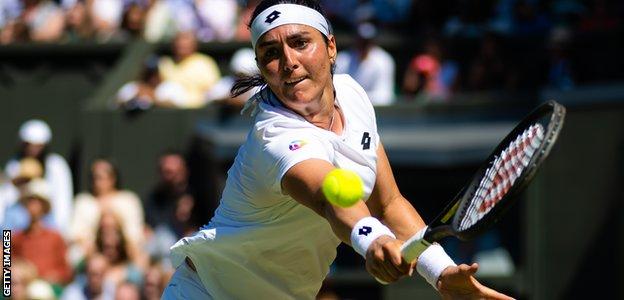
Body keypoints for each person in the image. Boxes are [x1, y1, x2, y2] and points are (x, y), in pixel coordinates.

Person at [163, 1, 513, 299]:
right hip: (204, 292)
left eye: (300, 43)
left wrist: (442, 272)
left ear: (331, 47)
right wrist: (373, 241)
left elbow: (388, 203)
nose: (288, 61)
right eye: (271, 53)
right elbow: (330, 196)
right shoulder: (274, 136)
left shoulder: (353, 95)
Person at [4, 119, 74, 237]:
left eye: (38, 146)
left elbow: (63, 203)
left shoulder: (56, 165)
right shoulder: (13, 166)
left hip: (48, 226)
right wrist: (7, 252)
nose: (33, 150)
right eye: (29, 145)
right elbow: (6, 199)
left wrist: (61, 233)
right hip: (16, 228)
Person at [12, 179, 73, 286]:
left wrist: (54, 277)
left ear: (44, 206)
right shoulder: (15, 237)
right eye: (30, 202)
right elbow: (7, 271)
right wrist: (19, 270)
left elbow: (66, 271)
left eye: (37, 202)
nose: (33, 206)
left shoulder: (55, 237)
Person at [334, 21, 396, 106]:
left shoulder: (384, 60)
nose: (364, 45)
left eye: (367, 42)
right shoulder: (342, 59)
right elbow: (335, 91)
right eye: (361, 41)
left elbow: (384, 96)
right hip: (346, 108)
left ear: (373, 42)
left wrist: (356, 99)